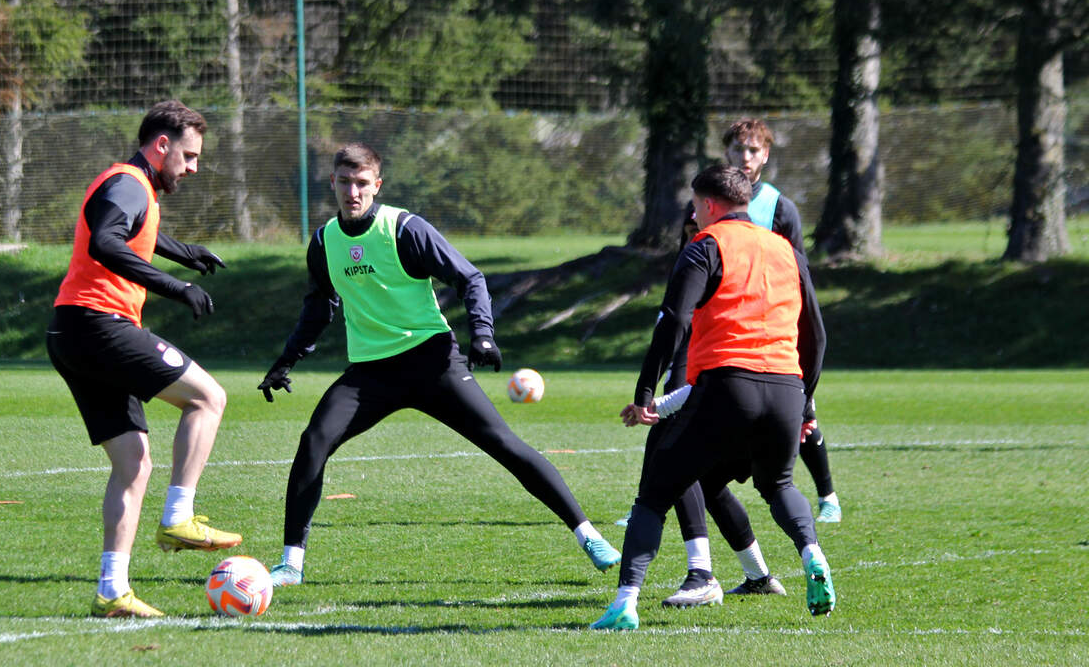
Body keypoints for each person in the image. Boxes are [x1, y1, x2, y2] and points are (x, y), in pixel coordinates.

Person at [257, 143, 621, 587]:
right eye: (345, 182)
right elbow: (319, 307)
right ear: (332, 182)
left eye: (362, 183)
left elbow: (470, 277)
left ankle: (588, 535)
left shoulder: (404, 228)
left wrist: (482, 333)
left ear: (378, 185)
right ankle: (291, 563)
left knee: (503, 444)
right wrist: (286, 360)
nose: (353, 192)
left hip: (433, 363)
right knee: (314, 441)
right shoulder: (324, 241)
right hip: (371, 373)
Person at [591, 164, 833, 630]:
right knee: (778, 484)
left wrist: (645, 394)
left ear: (707, 204)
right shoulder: (786, 250)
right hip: (786, 386)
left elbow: (674, 322)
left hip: (727, 385)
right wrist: (805, 398)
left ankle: (625, 602)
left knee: (655, 493)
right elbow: (816, 335)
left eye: (697, 208)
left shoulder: (706, 245)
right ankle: (812, 555)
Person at [46, 100, 241, 619]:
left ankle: (112, 589)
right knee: (208, 397)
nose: (193, 167)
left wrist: (183, 251)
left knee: (133, 465)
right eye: (190, 155)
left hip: (71, 332)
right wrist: (177, 286)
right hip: (98, 325)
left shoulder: (130, 185)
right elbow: (108, 242)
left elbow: (120, 233)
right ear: (162, 145)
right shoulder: (130, 183)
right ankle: (179, 516)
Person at [723, 117, 841, 524]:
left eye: (752, 150)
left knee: (800, 408)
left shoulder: (778, 206)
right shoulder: (707, 201)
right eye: (737, 148)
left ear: (765, 156)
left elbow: (797, 271)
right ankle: (657, 498)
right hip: (727, 324)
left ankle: (827, 494)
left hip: (772, 321)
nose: (744, 157)